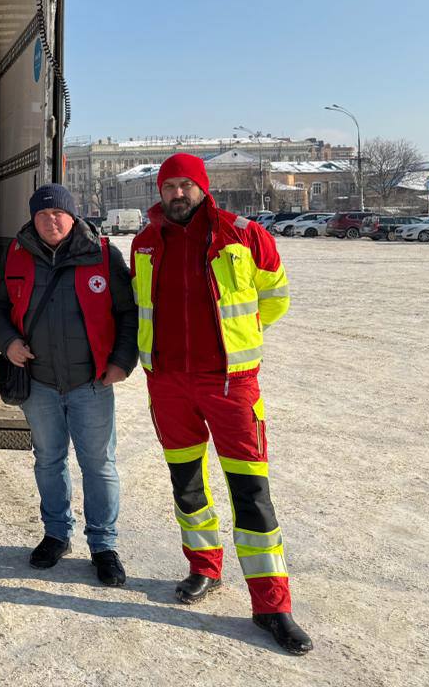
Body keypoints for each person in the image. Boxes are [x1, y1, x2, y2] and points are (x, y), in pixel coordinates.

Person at [131, 153, 312, 655]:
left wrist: (240, 338)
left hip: (231, 386)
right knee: (187, 484)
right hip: (168, 384)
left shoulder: (245, 235)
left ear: (203, 188)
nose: (177, 194)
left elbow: (275, 297)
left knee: (251, 491)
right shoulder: (145, 242)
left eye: (186, 185)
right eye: (169, 186)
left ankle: (272, 604)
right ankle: (204, 567)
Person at [0, 183, 138, 586]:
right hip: (39, 384)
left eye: (58, 213)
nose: (50, 220)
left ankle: (103, 545)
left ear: (72, 216)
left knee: (99, 465)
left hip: (91, 383)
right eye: (42, 214)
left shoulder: (103, 255)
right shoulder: (17, 254)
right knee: (48, 460)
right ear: (32, 218)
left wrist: (122, 361)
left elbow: (128, 313)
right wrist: (8, 342)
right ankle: (56, 534)